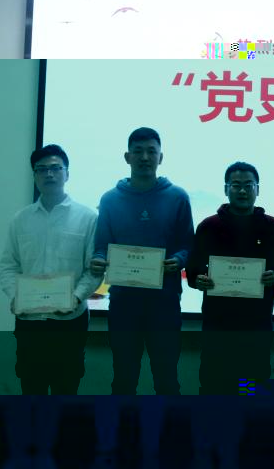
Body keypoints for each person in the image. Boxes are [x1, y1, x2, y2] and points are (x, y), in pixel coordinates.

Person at [0, 144, 101, 469]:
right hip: (30, 320)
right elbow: (8, 266)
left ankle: (59, 452)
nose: (49, 174)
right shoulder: (20, 220)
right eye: (42, 169)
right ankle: (30, 451)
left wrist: (76, 297)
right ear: (34, 176)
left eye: (56, 168)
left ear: (67, 173)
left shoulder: (88, 217)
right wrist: (16, 295)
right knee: (31, 385)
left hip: (69, 320)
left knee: (65, 387)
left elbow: (94, 270)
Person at [186, 162, 274, 469]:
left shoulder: (272, 227)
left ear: (258, 189)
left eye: (248, 185)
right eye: (236, 185)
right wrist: (200, 280)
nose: (242, 190)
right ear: (226, 189)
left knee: (251, 385)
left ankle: (248, 447)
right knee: (214, 385)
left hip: (255, 329)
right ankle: (211, 448)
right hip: (218, 327)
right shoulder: (209, 226)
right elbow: (193, 271)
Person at [90, 127, 194, 395]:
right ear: (127, 157)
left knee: (166, 377)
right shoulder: (110, 199)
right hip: (124, 302)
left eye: (151, 151)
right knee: (123, 378)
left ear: (161, 157)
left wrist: (179, 259)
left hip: (165, 302)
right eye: (138, 151)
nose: (145, 157)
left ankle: (169, 425)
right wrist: (99, 260)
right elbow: (101, 246)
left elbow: (188, 244)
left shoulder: (178, 197)